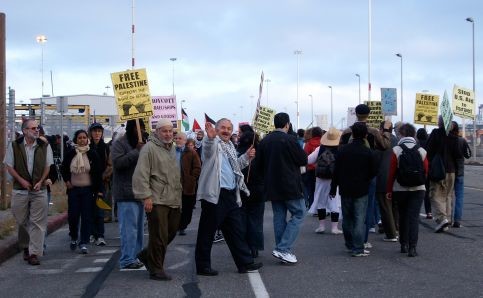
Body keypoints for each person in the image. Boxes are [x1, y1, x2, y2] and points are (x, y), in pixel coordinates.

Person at [195, 118, 262, 276]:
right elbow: (207, 151)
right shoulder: (211, 143)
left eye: (229, 128)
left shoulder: (230, 146)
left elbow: (235, 167)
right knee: (207, 232)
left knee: (236, 231)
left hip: (231, 194)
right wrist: (210, 138)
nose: (226, 131)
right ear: (216, 130)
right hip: (215, 194)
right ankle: (203, 266)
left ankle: (245, 263)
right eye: (223, 128)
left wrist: (246, 157)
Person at [133, 119, 182, 281]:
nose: (168, 134)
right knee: (159, 235)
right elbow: (141, 174)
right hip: (156, 199)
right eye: (164, 131)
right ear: (157, 132)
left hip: (173, 198)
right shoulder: (149, 149)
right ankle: (156, 269)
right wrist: (146, 197)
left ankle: (147, 255)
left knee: (172, 231)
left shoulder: (172, 148)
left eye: (170, 131)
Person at [256, 112, 308, 264]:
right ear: (287, 124)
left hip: (272, 185)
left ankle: (282, 250)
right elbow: (303, 159)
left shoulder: (265, 141)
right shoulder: (290, 140)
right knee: (299, 213)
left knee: (279, 216)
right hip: (290, 184)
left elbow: (258, 166)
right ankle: (283, 248)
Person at [340, 104, 391, 249]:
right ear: (368, 115)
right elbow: (385, 145)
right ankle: (363, 239)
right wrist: (386, 130)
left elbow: (340, 151)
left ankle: (350, 240)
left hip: (349, 173)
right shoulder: (373, 131)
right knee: (367, 208)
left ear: (355, 114)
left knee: (348, 208)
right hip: (368, 173)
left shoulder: (346, 132)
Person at [4, 119, 54, 265]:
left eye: (37, 128)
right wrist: (21, 181)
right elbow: (9, 166)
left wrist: (41, 181)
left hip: (39, 189)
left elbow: (47, 166)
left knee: (37, 222)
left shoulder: (44, 146)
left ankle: (34, 253)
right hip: (20, 189)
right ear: (25, 130)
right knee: (21, 219)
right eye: (33, 128)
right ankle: (26, 246)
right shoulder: (14, 146)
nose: (36, 130)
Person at [330, 122, 379, 257]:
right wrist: (366, 179)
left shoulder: (342, 150)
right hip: (362, 188)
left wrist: (333, 188)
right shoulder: (368, 152)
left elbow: (336, 171)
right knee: (359, 218)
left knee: (347, 218)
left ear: (352, 133)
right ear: (365, 135)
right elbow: (374, 171)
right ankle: (358, 248)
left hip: (345, 188)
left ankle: (349, 243)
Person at [386, 123, 428, 257]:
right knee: (414, 218)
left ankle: (403, 244)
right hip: (418, 188)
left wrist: (389, 190)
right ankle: (413, 248)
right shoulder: (421, 151)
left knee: (403, 216)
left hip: (400, 188)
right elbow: (426, 170)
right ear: (414, 135)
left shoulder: (396, 150)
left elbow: (392, 172)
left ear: (401, 134)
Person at [111, 119, 146, 269]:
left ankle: (136, 256)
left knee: (139, 230)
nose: (141, 132)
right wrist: (136, 151)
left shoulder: (144, 143)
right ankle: (127, 259)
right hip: (126, 192)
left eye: (143, 128)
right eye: (138, 129)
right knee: (128, 230)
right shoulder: (120, 143)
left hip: (141, 192)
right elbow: (118, 163)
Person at [61, 129, 103, 254]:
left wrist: (99, 190)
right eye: (80, 138)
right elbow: (64, 169)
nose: (82, 140)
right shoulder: (71, 154)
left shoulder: (92, 154)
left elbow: (97, 173)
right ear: (76, 140)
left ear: (87, 139)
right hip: (74, 190)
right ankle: (74, 236)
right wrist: (67, 181)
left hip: (88, 191)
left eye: (84, 137)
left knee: (86, 217)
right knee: (73, 216)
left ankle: (83, 242)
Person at [426, 117, 462, 232]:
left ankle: (442, 219)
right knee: (448, 195)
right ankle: (447, 220)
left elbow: (428, 150)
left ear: (440, 123)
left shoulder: (436, 133)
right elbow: (458, 155)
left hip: (438, 170)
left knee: (435, 195)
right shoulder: (454, 137)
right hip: (451, 170)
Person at [307, 127, 342, 234]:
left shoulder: (320, 149)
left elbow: (308, 160)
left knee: (321, 201)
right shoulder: (340, 149)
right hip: (335, 179)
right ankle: (334, 228)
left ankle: (321, 226)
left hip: (320, 178)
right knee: (334, 201)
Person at [237, 124, 265, 258]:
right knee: (256, 219)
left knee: (242, 218)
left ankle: (245, 246)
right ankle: (254, 247)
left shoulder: (236, 152)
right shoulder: (260, 153)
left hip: (241, 190)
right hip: (258, 190)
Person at [375, 120, 399, 242]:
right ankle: (396, 228)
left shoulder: (381, 142)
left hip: (383, 177)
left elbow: (376, 159)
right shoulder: (396, 140)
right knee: (394, 205)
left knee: (385, 207)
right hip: (397, 178)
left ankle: (391, 234)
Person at [88, 122, 110, 246]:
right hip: (88, 182)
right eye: (95, 131)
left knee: (100, 208)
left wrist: (102, 177)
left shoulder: (105, 147)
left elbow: (110, 165)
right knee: (89, 209)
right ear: (90, 133)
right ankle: (91, 233)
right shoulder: (87, 147)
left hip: (102, 182)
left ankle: (100, 235)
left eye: (99, 131)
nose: (97, 133)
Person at [177, 135, 202, 235]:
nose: (177, 140)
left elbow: (197, 167)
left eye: (180, 138)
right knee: (176, 208)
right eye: (176, 138)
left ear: (185, 141)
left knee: (188, 208)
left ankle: (183, 225)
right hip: (174, 186)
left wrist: (191, 179)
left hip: (188, 186)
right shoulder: (171, 152)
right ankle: (177, 225)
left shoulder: (191, 153)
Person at [451, 121, 471, 228]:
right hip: (460, 171)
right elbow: (468, 155)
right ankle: (457, 220)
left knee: (448, 196)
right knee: (459, 196)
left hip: (449, 171)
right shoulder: (461, 140)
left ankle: (447, 219)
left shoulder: (447, 140)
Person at [304, 127, 324, 210]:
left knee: (311, 190)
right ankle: (321, 207)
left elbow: (305, 158)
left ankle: (312, 207)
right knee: (320, 190)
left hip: (310, 170)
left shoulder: (308, 144)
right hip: (321, 170)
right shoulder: (323, 144)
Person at [416, 128, 432, 219]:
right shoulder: (429, 143)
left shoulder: (417, 145)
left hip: (419, 170)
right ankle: (429, 212)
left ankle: (417, 210)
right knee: (428, 192)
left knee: (418, 191)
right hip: (428, 169)